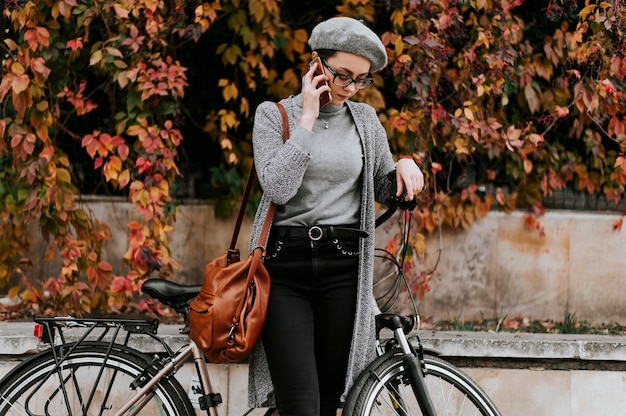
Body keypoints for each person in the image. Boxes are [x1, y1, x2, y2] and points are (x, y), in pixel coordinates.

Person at [247, 16, 425, 415]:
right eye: (342, 75)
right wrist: (307, 120)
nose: (350, 88)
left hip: (344, 269)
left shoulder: (365, 121)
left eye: (361, 80)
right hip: (283, 270)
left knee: (332, 404)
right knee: (301, 405)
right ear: (315, 63)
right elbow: (277, 187)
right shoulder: (274, 116)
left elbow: (381, 185)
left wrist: (404, 167)